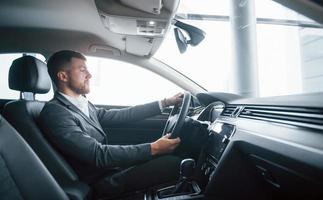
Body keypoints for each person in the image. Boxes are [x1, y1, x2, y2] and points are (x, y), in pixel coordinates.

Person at [39, 50, 184, 197]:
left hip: (110, 170)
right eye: (82, 70)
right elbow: (98, 154)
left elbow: (122, 115)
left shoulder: (82, 104)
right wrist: (154, 148)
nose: (89, 75)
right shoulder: (56, 112)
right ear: (63, 76)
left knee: (170, 161)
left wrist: (165, 103)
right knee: (174, 164)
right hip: (98, 182)